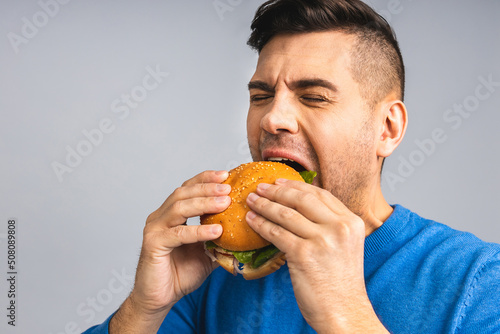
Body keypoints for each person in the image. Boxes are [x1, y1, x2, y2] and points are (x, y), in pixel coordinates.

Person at [84, 0, 500, 333]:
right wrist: (144, 309)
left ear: (388, 129)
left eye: (314, 96)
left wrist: (345, 314)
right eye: (261, 96)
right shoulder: (212, 272)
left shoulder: (480, 281)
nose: (271, 119)